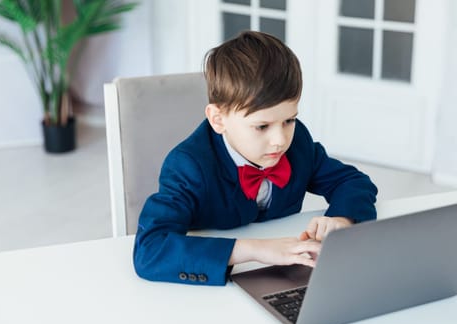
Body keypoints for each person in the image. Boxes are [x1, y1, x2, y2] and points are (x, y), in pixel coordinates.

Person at [133, 31, 378, 286]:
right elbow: (150, 249)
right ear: (218, 120)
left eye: (289, 120)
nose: (280, 140)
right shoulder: (188, 167)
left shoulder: (297, 144)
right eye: (262, 126)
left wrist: (341, 218)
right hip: (210, 290)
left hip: (284, 277)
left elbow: (353, 181)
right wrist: (256, 250)